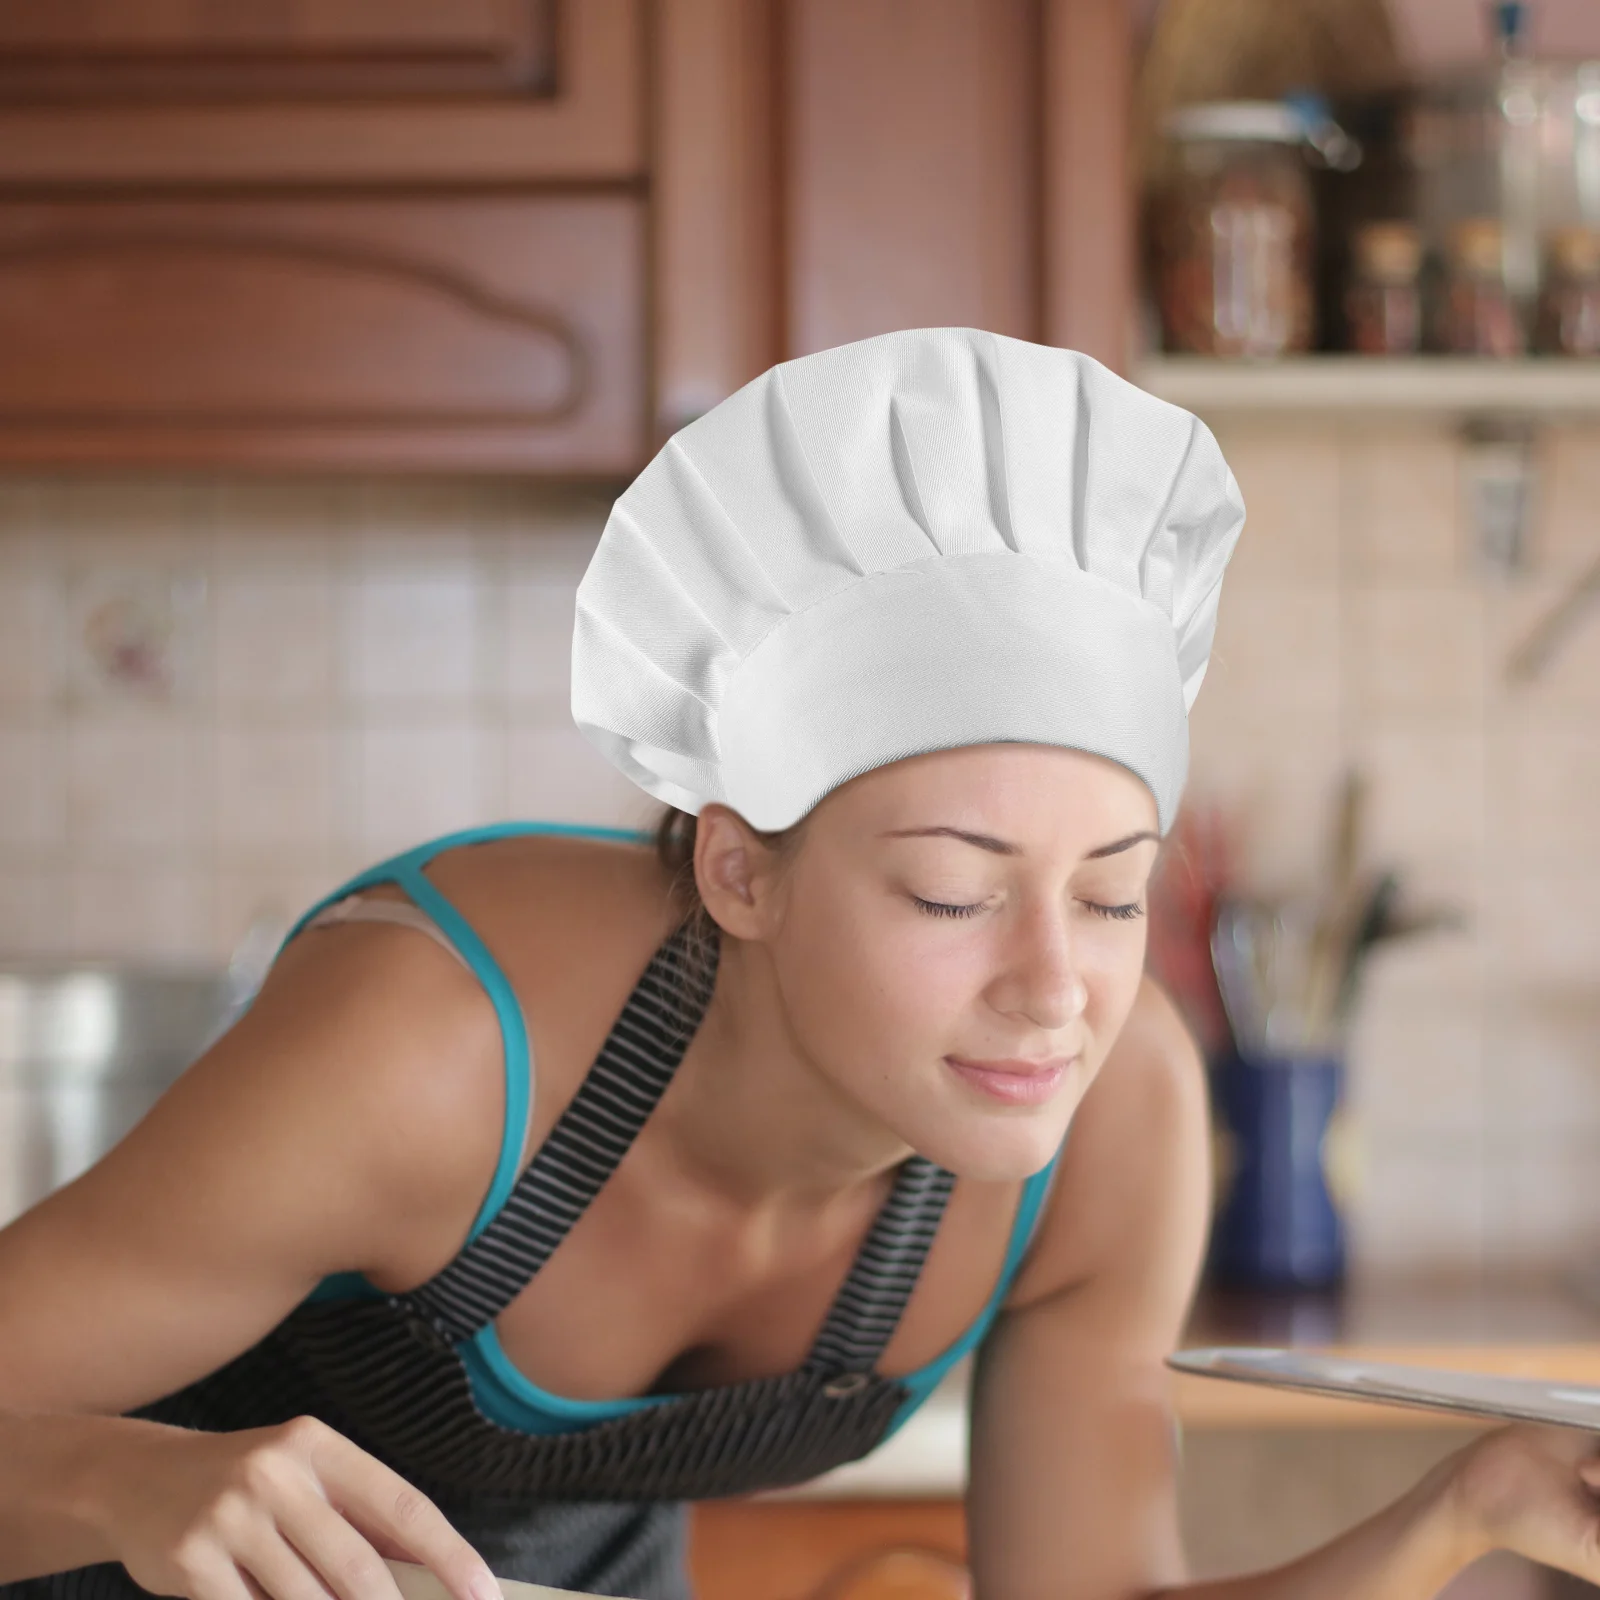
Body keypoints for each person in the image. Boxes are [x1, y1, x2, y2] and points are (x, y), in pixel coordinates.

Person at [1, 328, 1596, 1600]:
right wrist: (121, 1478)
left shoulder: (1117, 1124)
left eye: (1111, 900)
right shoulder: (431, 1050)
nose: (1057, 991)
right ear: (739, 865)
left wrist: (1474, 1511)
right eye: (955, 896)